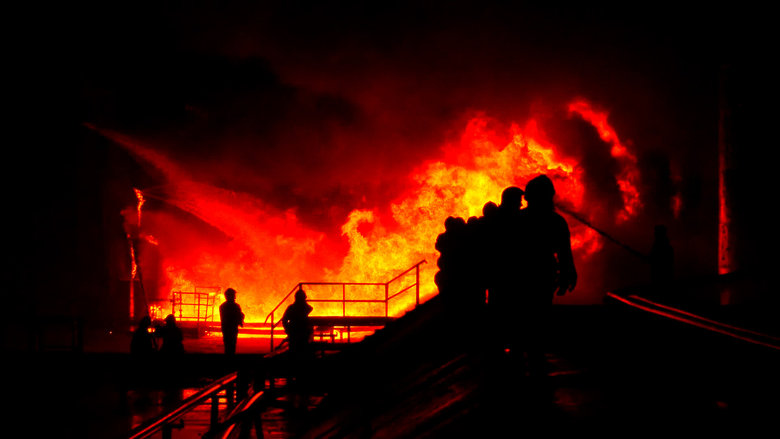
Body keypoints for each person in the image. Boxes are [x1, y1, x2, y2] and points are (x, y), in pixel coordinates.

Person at [515, 175, 576, 375]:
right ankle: (535, 356)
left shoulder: (519, 220)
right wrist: (568, 275)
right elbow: (564, 253)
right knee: (539, 314)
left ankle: (527, 356)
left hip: (525, 277)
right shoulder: (556, 221)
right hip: (542, 275)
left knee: (526, 316)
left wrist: (567, 273)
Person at [282, 289, 313, 359]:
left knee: (294, 352)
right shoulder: (305, 308)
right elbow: (310, 308)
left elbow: (284, 320)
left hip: (294, 333)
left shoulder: (291, 308)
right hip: (302, 333)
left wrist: (287, 329)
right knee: (302, 352)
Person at [219, 288, 245, 355]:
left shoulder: (222, 306)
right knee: (232, 345)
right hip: (233, 329)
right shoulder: (236, 306)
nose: (235, 297)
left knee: (227, 345)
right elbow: (238, 316)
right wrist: (241, 318)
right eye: (234, 295)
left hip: (225, 329)